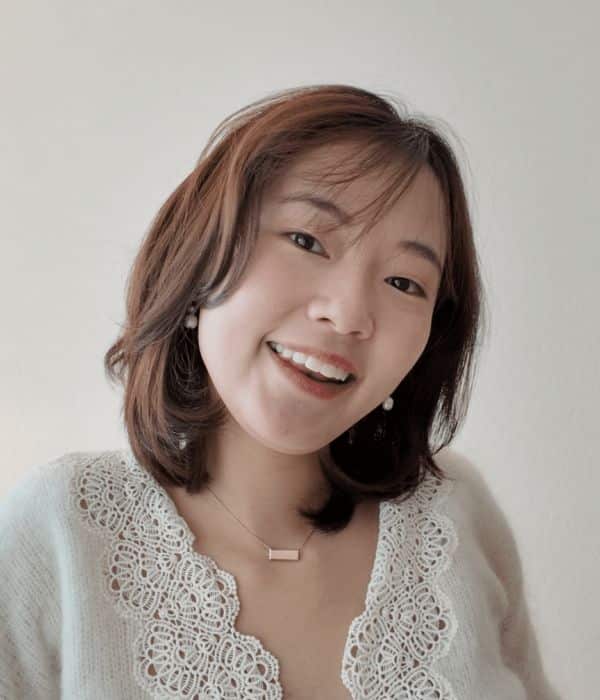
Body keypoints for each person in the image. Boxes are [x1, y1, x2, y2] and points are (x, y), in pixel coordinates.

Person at [0, 84, 562, 699]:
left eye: (404, 282)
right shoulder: (58, 533)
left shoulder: (457, 516)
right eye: (306, 241)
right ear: (204, 256)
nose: (348, 314)